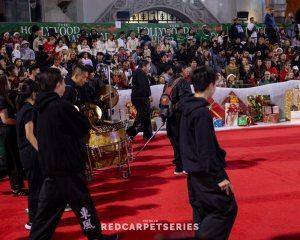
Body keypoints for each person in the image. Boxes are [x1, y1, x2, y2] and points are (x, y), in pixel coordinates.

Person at [29, 68, 117, 240]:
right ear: (56, 85)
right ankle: (95, 236)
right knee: (83, 204)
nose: (64, 86)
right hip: (67, 167)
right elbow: (83, 127)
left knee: (46, 212)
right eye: (62, 82)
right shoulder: (60, 106)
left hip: (51, 167)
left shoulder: (41, 107)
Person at [180, 66, 237, 240]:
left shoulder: (185, 108)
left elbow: (179, 139)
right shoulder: (200, 113)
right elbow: (206, 150)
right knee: (226, 209)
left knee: (202, 212)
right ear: (211, 86)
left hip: (193, 173)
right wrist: (219, 177)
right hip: (206, 174)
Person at [16, 80, 42, 230]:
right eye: (37, 92)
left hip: (28, 153)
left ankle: (36, 216)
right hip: (31, 153)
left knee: (37, 185)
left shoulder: (25, 108)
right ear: (33, 93)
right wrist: (41, 151)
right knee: (35, 187)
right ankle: (32, 220)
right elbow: (29, 134)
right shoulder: (28, 110)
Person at [164, 63, 192, 175]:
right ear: (182, 69)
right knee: (184, 140)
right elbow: (187, 100)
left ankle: (178, 167)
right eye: (186, 68)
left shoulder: (169, 81)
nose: (187, 71)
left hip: (169, 115)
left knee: (175, 140)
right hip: (180, 115)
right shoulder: (184, 82)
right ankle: (184, 166)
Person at [0, 74, 26, 196]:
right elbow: (5, 119)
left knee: (15, 158)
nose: (10, 83)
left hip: (10, 131)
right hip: (7, 131)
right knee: (12, 159)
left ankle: (18, 185)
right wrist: (19, 121)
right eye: (7, 82)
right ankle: (16, 187)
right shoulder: (1, 99)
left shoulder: (7, 97)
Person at [127, 60, 153, 140]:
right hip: (141, 98)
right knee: (143, 117)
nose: (149, 68)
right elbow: (143, 86)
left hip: (139, 98)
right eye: (148, 66)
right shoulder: (140, 73)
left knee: (146, 115)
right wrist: (148, 95)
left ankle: (148, 134)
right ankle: (130, 133)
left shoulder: (138, 72)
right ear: (144, 66)